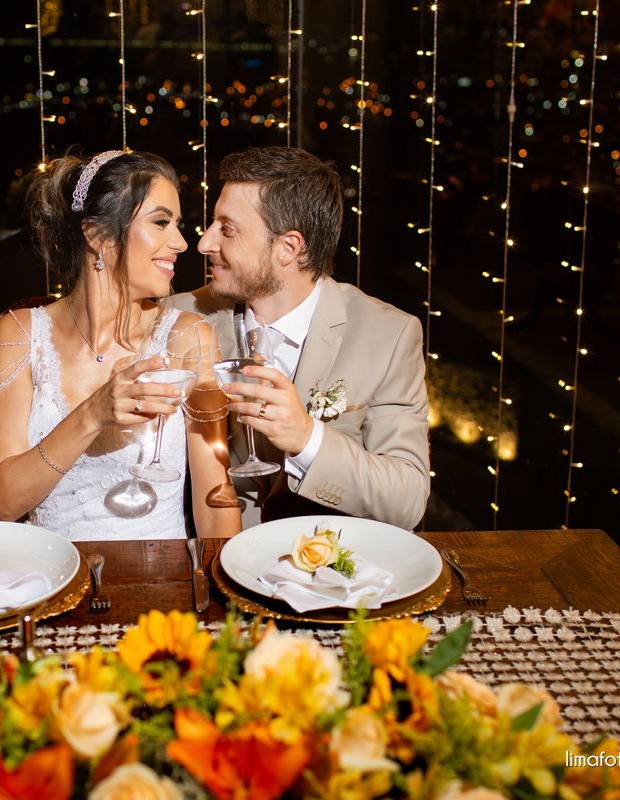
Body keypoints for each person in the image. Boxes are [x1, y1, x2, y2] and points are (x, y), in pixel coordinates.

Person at [0, 150, 241, 541]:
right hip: (54, 577)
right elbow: (3, 502)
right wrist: (93, 414)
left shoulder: (189, 338)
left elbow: (215, 499)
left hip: (160, 582)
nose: (182, 243)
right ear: (98, 234)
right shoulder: (20, 333)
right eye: (161, 223)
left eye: (178, 225)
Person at [172, 146, 430, 530]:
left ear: (288, 248)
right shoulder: (178, 318)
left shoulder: (389, 335)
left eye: (227, 229)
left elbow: (406, 499)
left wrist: (308, 439)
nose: (205, 243)